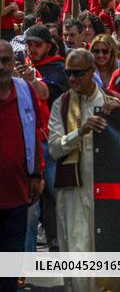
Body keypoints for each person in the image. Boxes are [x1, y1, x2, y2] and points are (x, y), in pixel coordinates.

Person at [48, 49, 120, 292]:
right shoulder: (61, 105)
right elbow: (54, 148)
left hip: (107, 196)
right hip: (73, 192)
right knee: (77, 259)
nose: (72, 79)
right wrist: (80, 132)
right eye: (68, 73)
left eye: (78, 73)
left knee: (111, 265)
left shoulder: (113, 102)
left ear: (92, 71)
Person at [0, 39, 44, 292]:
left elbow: (34, 135)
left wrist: (36, 174)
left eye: (7, 61)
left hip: (17, 194)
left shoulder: (25, 91)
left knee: (9, 262)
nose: (2, 66)